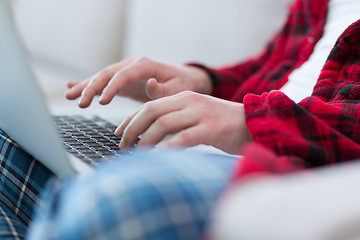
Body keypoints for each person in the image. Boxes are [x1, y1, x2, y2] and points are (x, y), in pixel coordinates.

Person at [2, 0, 359, 239]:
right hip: (233, 147)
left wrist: (250, 123)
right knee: (7, 146)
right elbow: (279, 69)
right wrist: (204, 82)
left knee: (113, 201)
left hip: (300, 172)